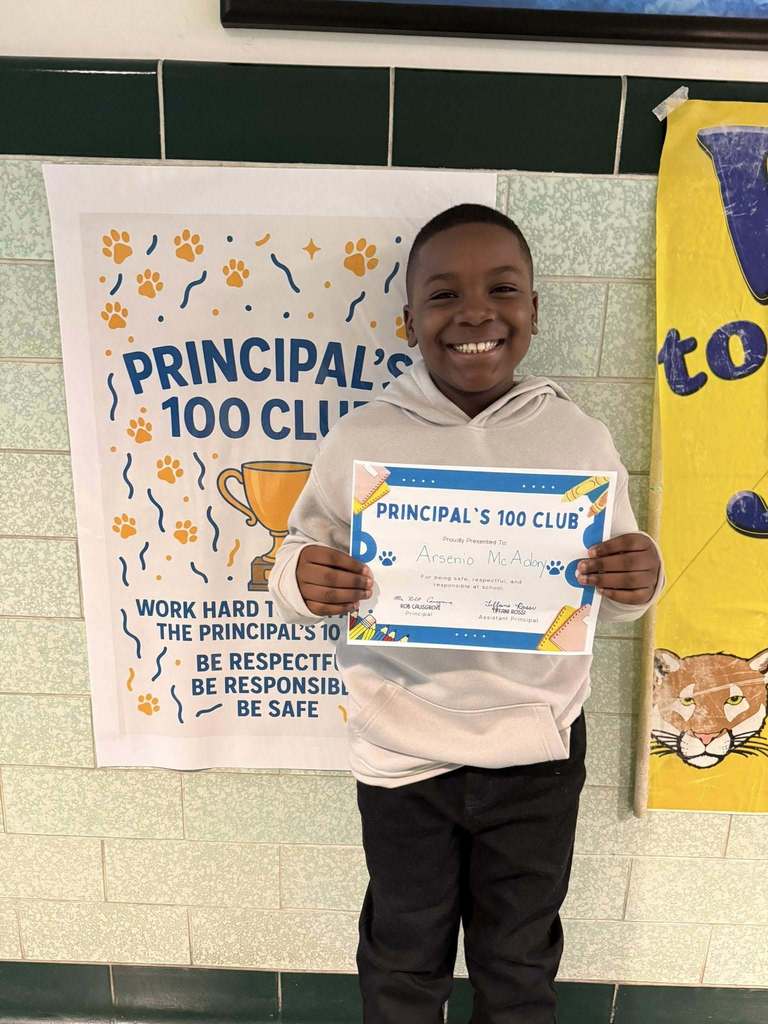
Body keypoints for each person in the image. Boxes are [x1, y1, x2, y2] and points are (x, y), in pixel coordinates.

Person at [268, 204, 663, 1024]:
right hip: (400, 748)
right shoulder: (361, 438)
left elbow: (609, 596)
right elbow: (293, 559)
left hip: (536, 751)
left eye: (503, 289)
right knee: (403, 957)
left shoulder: (580, 441)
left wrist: (638, 580)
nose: (476, 312)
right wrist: (303, 578)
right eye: (444, 295)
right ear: (409, 319)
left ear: (535, 311)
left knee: (517, 961)